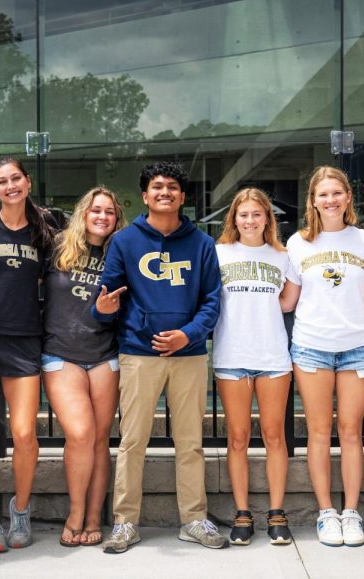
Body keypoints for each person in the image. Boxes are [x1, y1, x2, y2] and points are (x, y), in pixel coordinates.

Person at [93, 161, 227, 553]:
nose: (164, 192)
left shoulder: (201, 243)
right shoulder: (124, 242)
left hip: (187, 355)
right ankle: (125, 522)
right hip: (139, 353)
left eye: (172, 187)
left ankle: (194, 519)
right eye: (157, 186)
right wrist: (102, 308)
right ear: (146, 195)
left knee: (190, 442)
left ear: (183, 197)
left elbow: (212, 300)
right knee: (133, 440)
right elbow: (109, 298)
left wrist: (188, 334)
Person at [284, 166, 364, 547]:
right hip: (311, 346)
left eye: (336, 193)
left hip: (357, 346)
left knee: (351, 432)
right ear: (313, 200)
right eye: (322, 194)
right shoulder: (297, 243)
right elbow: (288, 300)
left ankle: (351, 512)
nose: (330, 200)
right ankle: (327, 512)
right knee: (320, 433)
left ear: (348, 197)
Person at [0, 156, 53, 552]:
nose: (10, 186)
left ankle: (20, 510)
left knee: (23, 434)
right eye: (1, 181)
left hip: (25, 339)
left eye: (15, 178)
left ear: (27, 181)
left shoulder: (46, 228)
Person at [42, 187, 125, 547]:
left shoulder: (120, 253)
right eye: (96, 210)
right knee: (79, 433)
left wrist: (111, 312)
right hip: (61, 351)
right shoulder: (57, 245)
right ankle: (76, 512)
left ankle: (94, 517)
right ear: (83, 213)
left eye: (109, 212)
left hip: (104, 352)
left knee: (100, 439)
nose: (102, 216)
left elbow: (131, 304)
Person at [213, 187, 296, 546]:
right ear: (234, 218)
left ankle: (277, 513)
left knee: (275, 436)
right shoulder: (217, 253)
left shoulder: (283, 255)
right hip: (232, 355)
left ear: (267, 219)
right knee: (238, 437)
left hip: (272, 356)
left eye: (256, 214)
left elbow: (289, 300)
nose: (249, 220)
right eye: (243, 215)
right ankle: (243, 513)